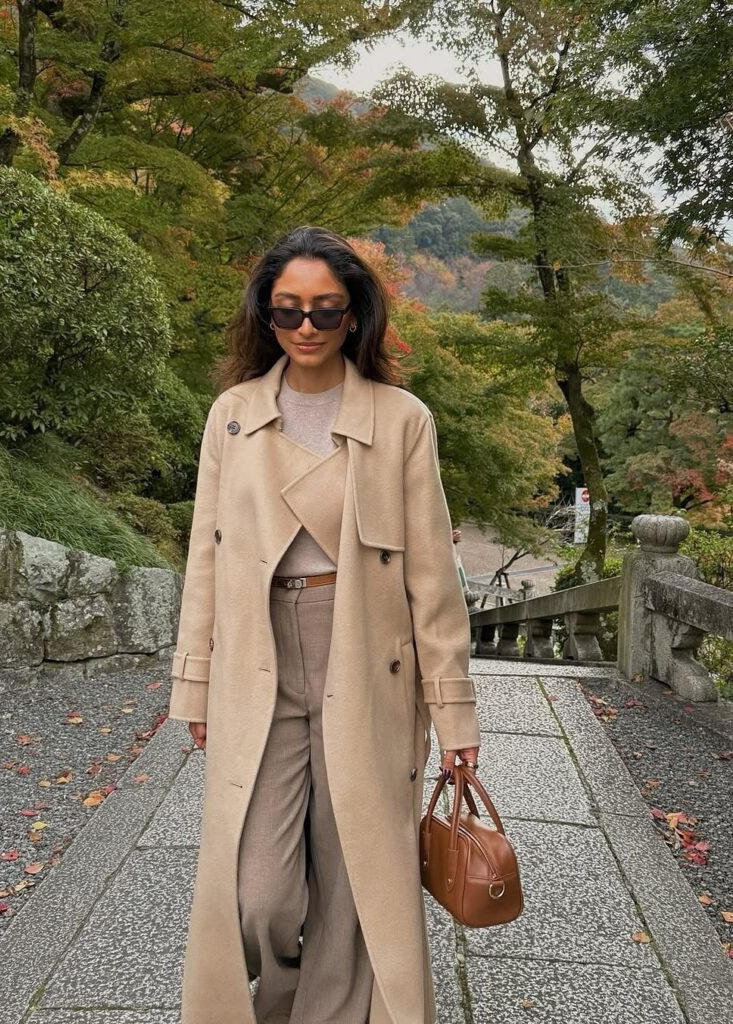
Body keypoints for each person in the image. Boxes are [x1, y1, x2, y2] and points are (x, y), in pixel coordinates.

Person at [167, 225, 482, 1024]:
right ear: (264, 316)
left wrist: (453, 714)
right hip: (257, 657)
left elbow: (431, 578)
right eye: (287, 310)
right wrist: (194, 684)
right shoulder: (233, 416)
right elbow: (205, 557)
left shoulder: (401, 419)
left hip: (366, 656)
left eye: (325, 309)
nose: (305, 326)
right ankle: (280, 1005)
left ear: (354, 316)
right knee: (258, 892)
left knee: (353, 878)